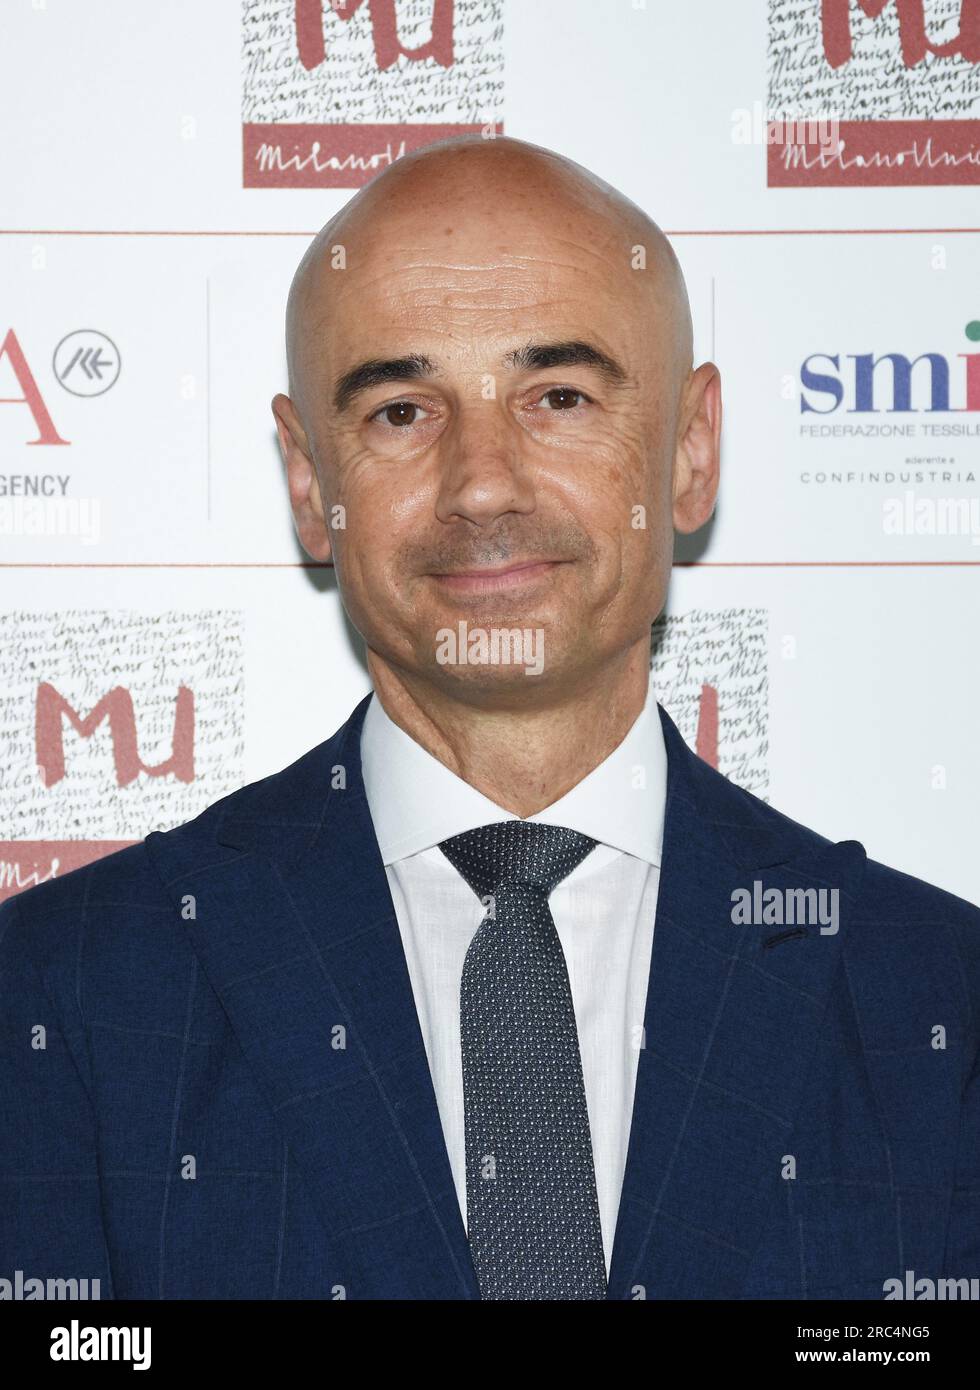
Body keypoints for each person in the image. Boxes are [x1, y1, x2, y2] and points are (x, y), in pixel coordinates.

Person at [2, 135, 978, 1302]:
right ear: (310, 483)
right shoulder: (61, 995)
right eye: (401, 411)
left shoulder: (936, 1001)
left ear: (689, 450)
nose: (480, 483)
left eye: (557, 396)